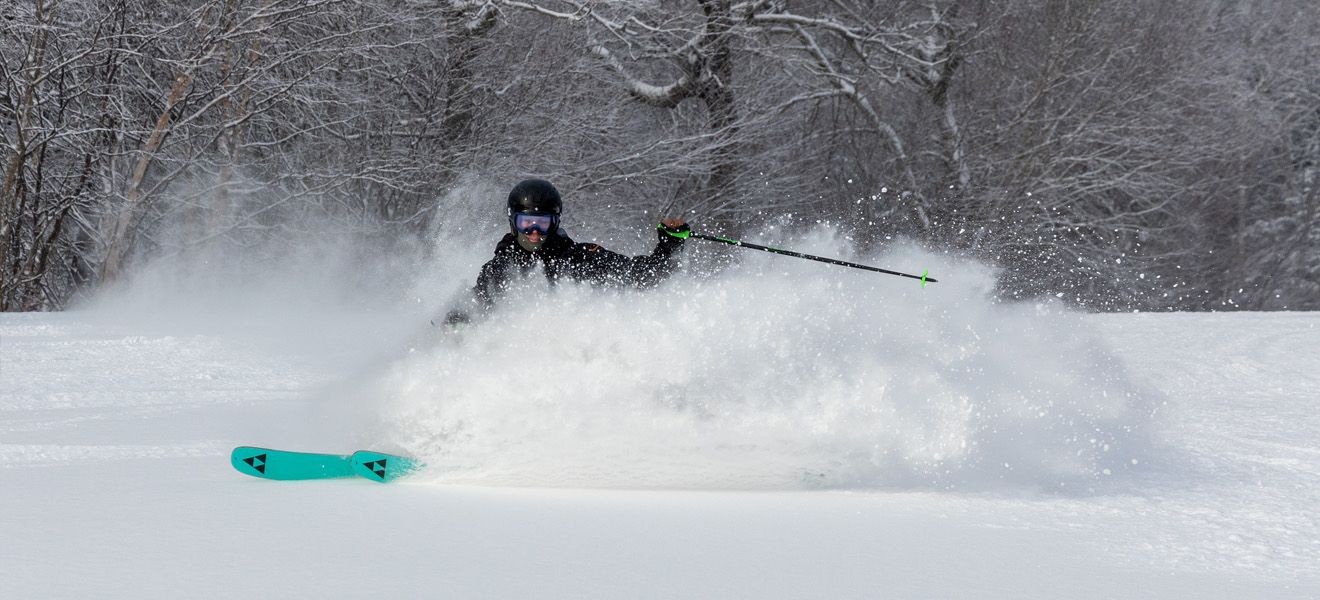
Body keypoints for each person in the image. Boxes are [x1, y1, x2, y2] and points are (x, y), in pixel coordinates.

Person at [441, 178, 690, 326]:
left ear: (556, 222)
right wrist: (457, 321)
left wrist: (670, 245)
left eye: (543, 223)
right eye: (527, 223)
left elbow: (642, 275)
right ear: (512, 222)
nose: (535, 232)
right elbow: (476, 306)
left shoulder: (580, 258)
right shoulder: (502, 267)